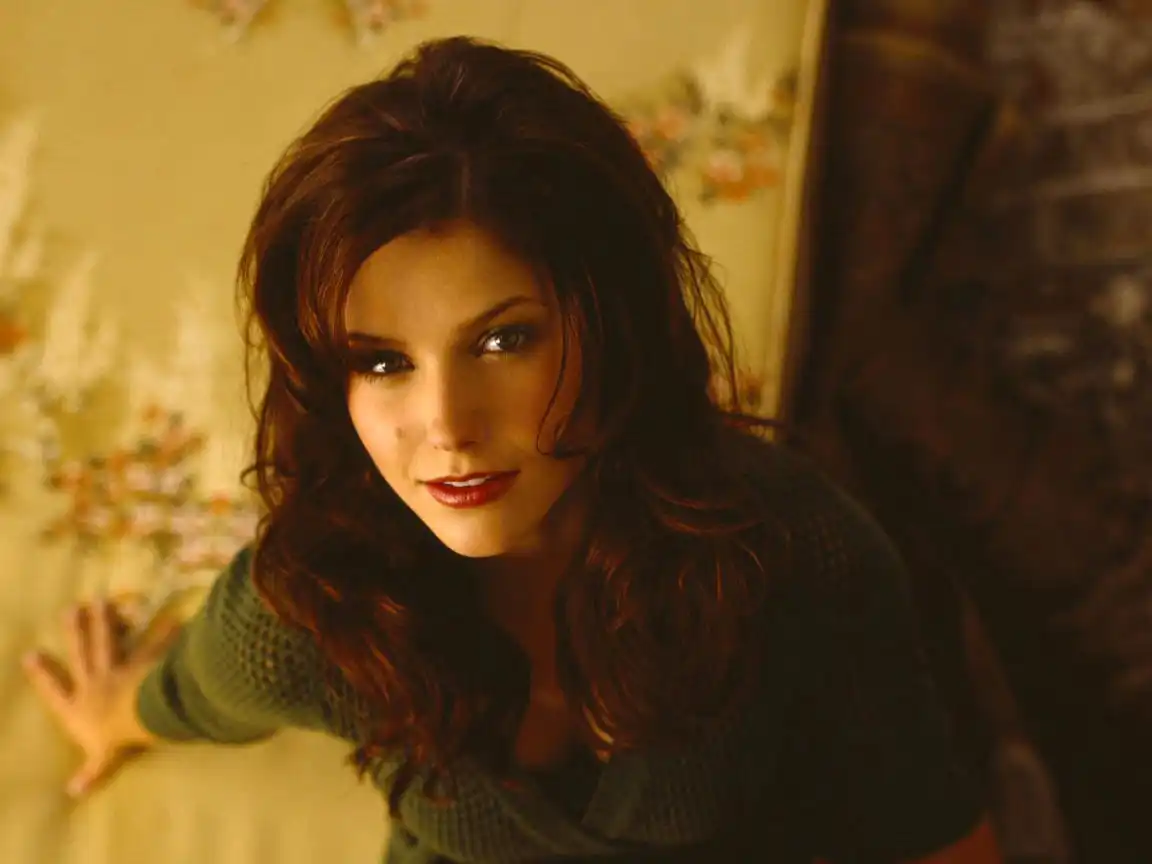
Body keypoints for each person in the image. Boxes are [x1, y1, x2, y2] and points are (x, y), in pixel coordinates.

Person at [21, 37, 1002, 864]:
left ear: (610, 326)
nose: (447, 426)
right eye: (382, 361)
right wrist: (111, 714)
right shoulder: (310, 612)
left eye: (503, 340)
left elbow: (934, 835)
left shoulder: (793, 552)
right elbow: (188, 694)